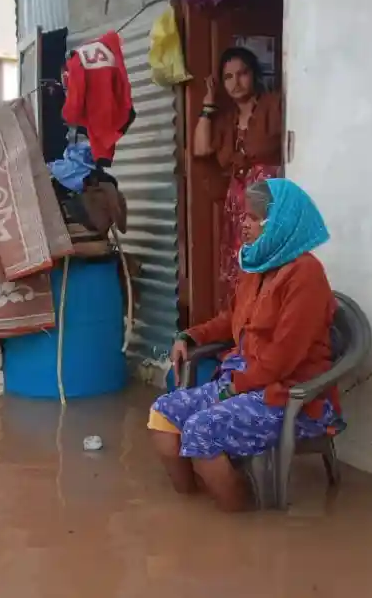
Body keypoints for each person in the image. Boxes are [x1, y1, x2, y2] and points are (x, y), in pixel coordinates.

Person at [147, 179, 344, 512]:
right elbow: (232, 319)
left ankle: (242, 519)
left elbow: (283, 358)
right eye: (246, 216)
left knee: (202, 430)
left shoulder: (306, 275)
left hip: (289, 394)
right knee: (163, 414)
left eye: (254, 218)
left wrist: (233, 388)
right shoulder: (259, 264)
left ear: (279, 222)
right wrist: (190, 336)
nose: (244, 223)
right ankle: (193, 509)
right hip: (245, 380)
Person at [192, 46, 284, 310]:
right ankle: (239, 326)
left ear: (254, 75)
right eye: (228, 77)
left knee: (267, 264)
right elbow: (201, 149)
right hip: (237, 204)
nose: (236, 82)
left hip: (267, 202)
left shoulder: (274, 105)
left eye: (242, 73)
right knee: (239, 268)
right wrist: (208, 104)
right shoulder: (227, 120)